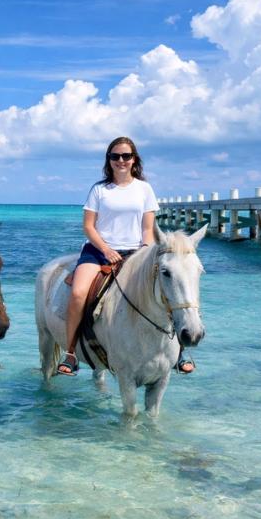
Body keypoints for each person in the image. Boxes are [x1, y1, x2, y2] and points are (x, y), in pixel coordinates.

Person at [56, 136, 195, 376]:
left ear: (134, 160)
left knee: (168, 289)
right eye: (115, 156)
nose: (121, 160)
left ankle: (178, 350)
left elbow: (147, 228)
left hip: (136, 251)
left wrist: (143, 252)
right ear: (109, 160)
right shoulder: (99, 190)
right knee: (78, 293)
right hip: (98, 250)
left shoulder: (144, 189)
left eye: (126, 156)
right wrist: (106, 249)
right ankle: (70, 353)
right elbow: (88, 226)